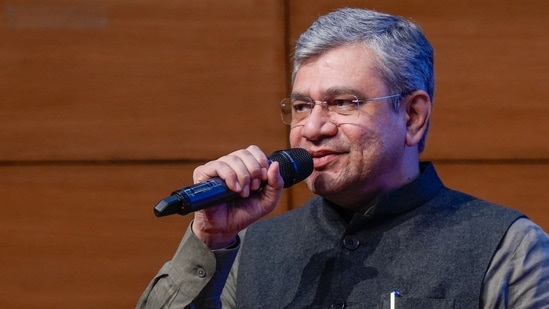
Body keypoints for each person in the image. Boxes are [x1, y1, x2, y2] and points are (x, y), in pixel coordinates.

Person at [137, 7, 549, 308]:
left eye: (343, 102)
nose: (313, 128)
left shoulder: (507, 246)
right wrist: (209, 240)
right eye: (301, 107)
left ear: (412, 116)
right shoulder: (248, 250)